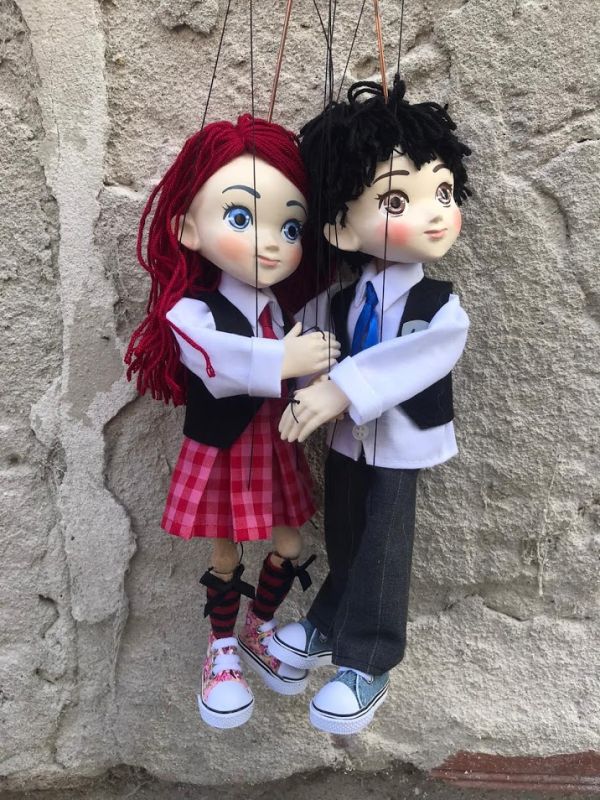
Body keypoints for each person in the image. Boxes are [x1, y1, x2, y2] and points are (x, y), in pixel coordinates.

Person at [270, 76, 472, 735]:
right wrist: (279, 360)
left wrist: (341, 387)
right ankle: (330, 622)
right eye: (397, 200)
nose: (434, 213)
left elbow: (421, 356)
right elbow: (296, 337)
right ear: (340, 228)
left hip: (400, 443)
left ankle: (369, 661)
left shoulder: (437, 306)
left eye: (444, 191)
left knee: (383, 546)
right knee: (345, 534)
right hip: (348, 442)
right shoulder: (340, 299)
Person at [125, 115, 340, 729]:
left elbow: (300, 370)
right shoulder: (192, 311)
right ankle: (220, 649)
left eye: (290, 227)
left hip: (273, 444)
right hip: (224, 445)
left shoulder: (278, 310)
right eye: (241, 217)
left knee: (290, 541)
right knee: (227, 550)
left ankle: (258, 626)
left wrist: (314, 381)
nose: (271, 243)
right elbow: (216, 361)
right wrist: (284, 360)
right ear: (187, 228)